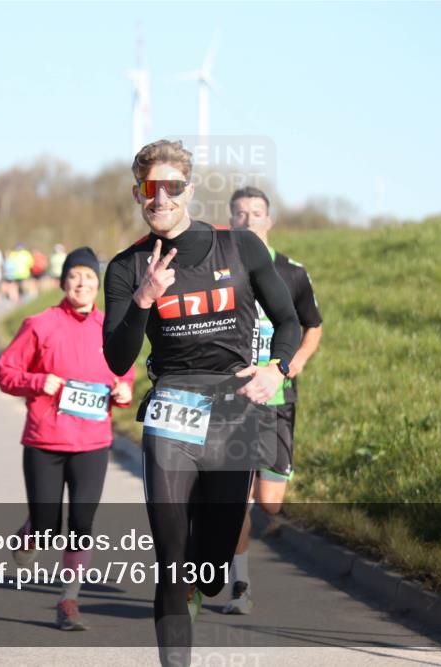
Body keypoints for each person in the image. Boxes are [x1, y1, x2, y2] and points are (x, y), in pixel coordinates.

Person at [102, 140, 300, 666]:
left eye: (171, 187)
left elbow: (290, 322)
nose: (160, 197)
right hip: (173, 409)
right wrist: (144, 299)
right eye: (149, 188)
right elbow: (118, 358)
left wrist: (275, 367)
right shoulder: (127, 266)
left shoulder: (240, 247)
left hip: (233, 408)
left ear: (188, 189)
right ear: (138, 194)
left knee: (209, 568)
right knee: (171, 562)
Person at [0, 247, 136, 631]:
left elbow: (124, 372)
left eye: (89, 278)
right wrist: (38, 381)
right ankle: (30, 534)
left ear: (98, 286)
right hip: (45, 439)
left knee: (81, 523)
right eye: (75, 276)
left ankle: (68, 600)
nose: (82, 284)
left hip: (93, 441)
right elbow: (5, 372)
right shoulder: (39, 324)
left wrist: (124, 389)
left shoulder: (110, 327)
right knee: (45, 526)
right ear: (63, 283)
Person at [222, 186, 324, 615]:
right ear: (231, 221)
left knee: (271, 503)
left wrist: (296, 359)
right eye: (240, 214)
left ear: (269, 220)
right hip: (235, 402)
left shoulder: (292, 272)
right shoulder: (220, 270)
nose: (248, 220)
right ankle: (240, 588)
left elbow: (312, 325)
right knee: (237, 499)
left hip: (279, 398)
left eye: (256, 213)